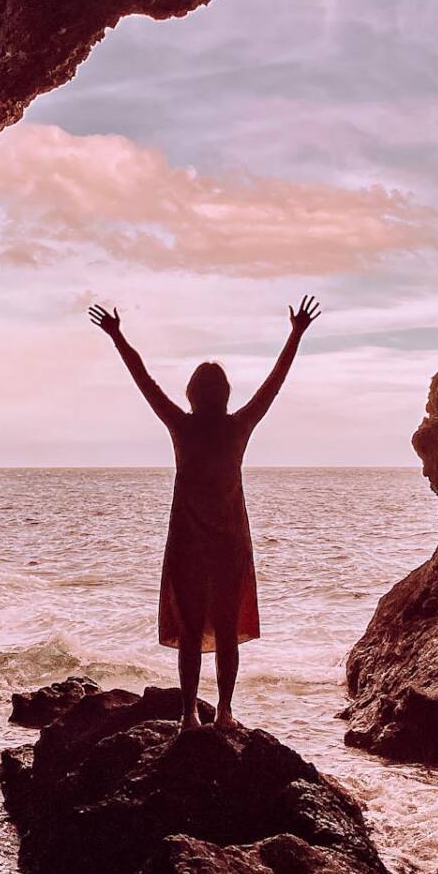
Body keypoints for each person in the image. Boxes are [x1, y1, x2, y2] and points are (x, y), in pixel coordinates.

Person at [89, 296, 321, 730]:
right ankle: (226, 713)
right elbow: (275, 382)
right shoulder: (239, 426)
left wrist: (118, 336)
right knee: (228, 632)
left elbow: (145, 381)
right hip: (230, 542)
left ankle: (189, 715)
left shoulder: (182, 425)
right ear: (225, 396)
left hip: (187, 542)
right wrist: (296, 334)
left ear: (192, 396)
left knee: (191, 632)